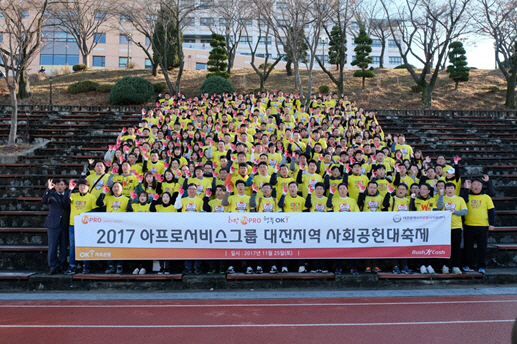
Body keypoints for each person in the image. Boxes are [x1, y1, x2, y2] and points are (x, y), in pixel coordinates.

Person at [97, 182, 133, 274]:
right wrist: (103, 193)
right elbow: (99, 204)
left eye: (118, 187)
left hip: (122, 226)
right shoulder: (108, 198)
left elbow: (129, 211)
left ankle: (120, 265)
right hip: (109, 226)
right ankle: (111, 265)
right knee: (110, 246)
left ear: (122, 188)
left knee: (121, 246)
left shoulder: (126, 199)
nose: (116, 188)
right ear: (112, 189)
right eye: (114, 187)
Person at [461, 178, 495, 274]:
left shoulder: (486, 197)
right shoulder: (467, 195)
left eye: (478, 185)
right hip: (468, 226)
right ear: (471, 186)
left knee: (482, 248)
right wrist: (466, 189)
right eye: (474, 185)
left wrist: (492, 223)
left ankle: (482, 266)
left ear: (481, 186)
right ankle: (468, 265)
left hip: (482, 226)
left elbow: (491, 211)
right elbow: (462, 200)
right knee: (468, 247)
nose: (476, 186)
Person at [65, 179, 97, 275]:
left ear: (88, 187)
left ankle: (85, 266)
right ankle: (72, 266)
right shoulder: (74, 196)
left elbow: (96, 210)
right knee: (72, 246)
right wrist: (70, 189)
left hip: (86, 226)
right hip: (73, 224)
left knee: (86, 246)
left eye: (85, 186)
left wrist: (85, 214)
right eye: (81, 185)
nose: (83, 187)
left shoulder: (91, 197)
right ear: (78, 187)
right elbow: (66, 201)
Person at [436, 182, 468, 275]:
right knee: (445, 247)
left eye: (451, 188)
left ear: (454, 189)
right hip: (444, 227)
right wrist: (441, 196)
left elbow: (465, 211)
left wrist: (456, 212)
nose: (450, 190)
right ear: (445, 189)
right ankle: (445, 266)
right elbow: (439, 207)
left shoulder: (460, 199)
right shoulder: (442, 197)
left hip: (456, 226)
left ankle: (456, 266)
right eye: (448, 188)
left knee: (456, 247)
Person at [42, 179, 70, 275]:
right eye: (58, 185)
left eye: (62, 185)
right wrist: (48, 189)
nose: (60, 186)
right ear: (55, 186)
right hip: (53, 224)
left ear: (65, 186)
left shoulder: (69, 194)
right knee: (52, 246)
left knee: (63, 247)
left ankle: (61, 266)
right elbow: (44, 201)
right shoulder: (51, 194)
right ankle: (52, 266)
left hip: (65, 224)